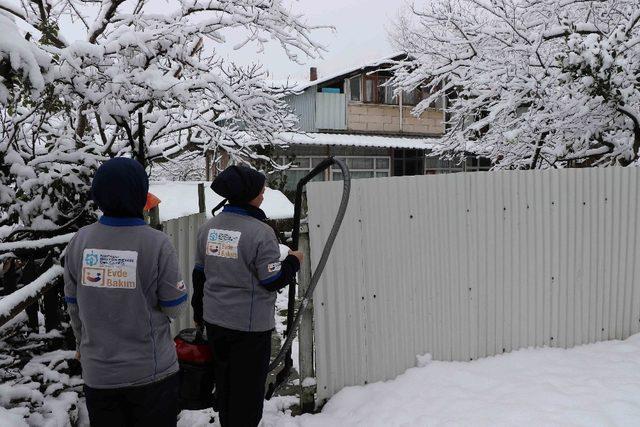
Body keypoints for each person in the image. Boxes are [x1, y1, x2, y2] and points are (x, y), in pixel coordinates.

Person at [63, 158, 188, 427]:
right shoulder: (157, 243)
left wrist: (82, 344)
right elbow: (174, 307)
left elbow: (73, 304)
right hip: (151, 375)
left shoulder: (79, 241)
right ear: (140, 194)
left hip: (99, 375)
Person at [191, 165, 303, 427]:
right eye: (260, 190)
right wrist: (294, 262)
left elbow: (199, 274)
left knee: (226, 386)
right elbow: (272, 279)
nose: (263, 194)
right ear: (248, 194)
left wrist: (199, 314)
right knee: (247, 396)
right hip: (249, 330)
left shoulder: (209, 227)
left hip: (216, 322)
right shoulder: (260, 232)